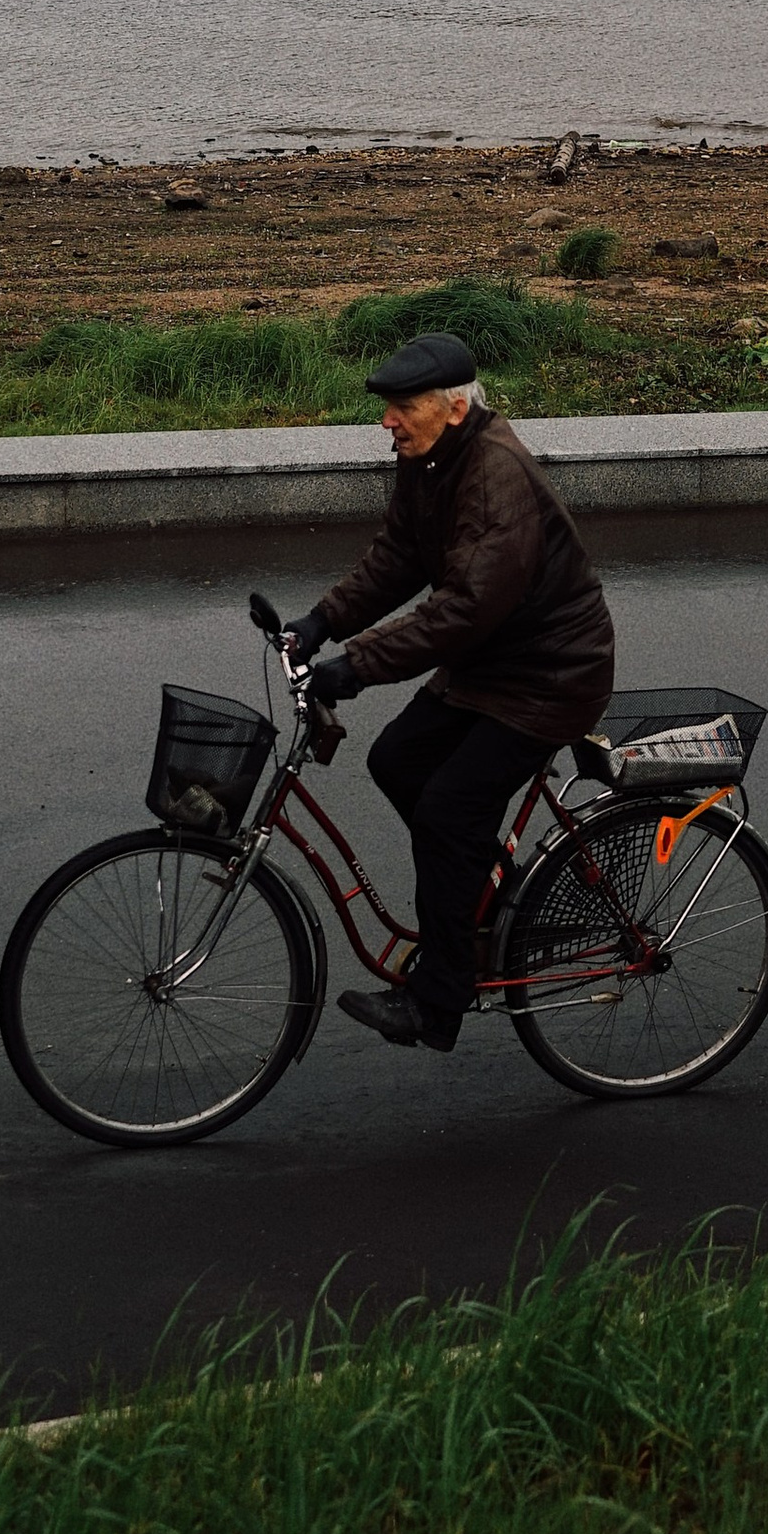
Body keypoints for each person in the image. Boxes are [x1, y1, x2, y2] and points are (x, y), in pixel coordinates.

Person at [286, 329, 615, 1053]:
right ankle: (475, 903)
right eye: (389, 408)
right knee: (397, 762)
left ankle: (440, 1000)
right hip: (490, 666)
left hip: (549, 679)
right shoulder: (429, 460)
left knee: (445, 807)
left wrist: (358, 664)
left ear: (455, 409)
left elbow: (466, 606)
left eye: (403, 406)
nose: (387, 421)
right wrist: (322, 621)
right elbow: (400, 556)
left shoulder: (497, 476)